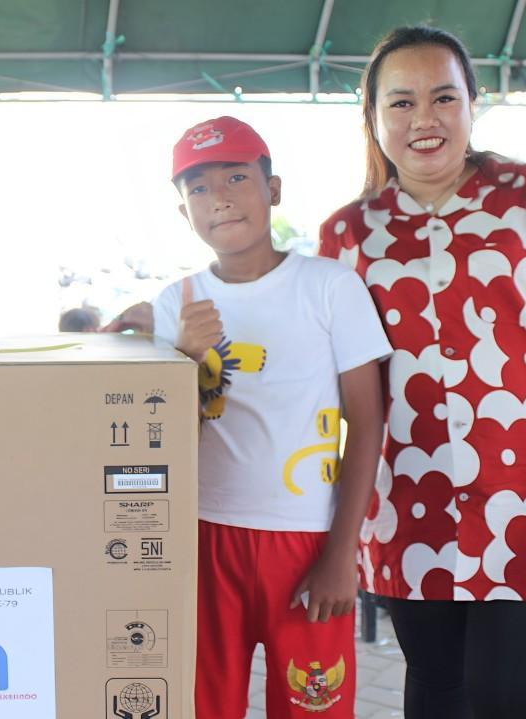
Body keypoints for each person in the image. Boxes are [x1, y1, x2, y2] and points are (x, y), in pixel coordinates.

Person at [318, 26, 526, 719]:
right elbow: (321, 367)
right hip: (407, 505)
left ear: (473, 103)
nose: (424, 119)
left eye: (444, 97)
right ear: (374, 117)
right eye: (401, 102)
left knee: (508, 699)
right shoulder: (347, 233)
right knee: (436, 693)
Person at [153, 116, 390, 719]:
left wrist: (343, 553)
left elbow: (366, 424)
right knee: (205, 704)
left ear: (273, 188)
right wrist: (184, 360)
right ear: (184, 213)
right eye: (199, 188)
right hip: (204, 535)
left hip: (306, 536)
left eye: (236, 177)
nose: (221, 198)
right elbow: (164, 441)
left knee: (315, 704)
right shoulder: (174, 305)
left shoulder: (329, 286)